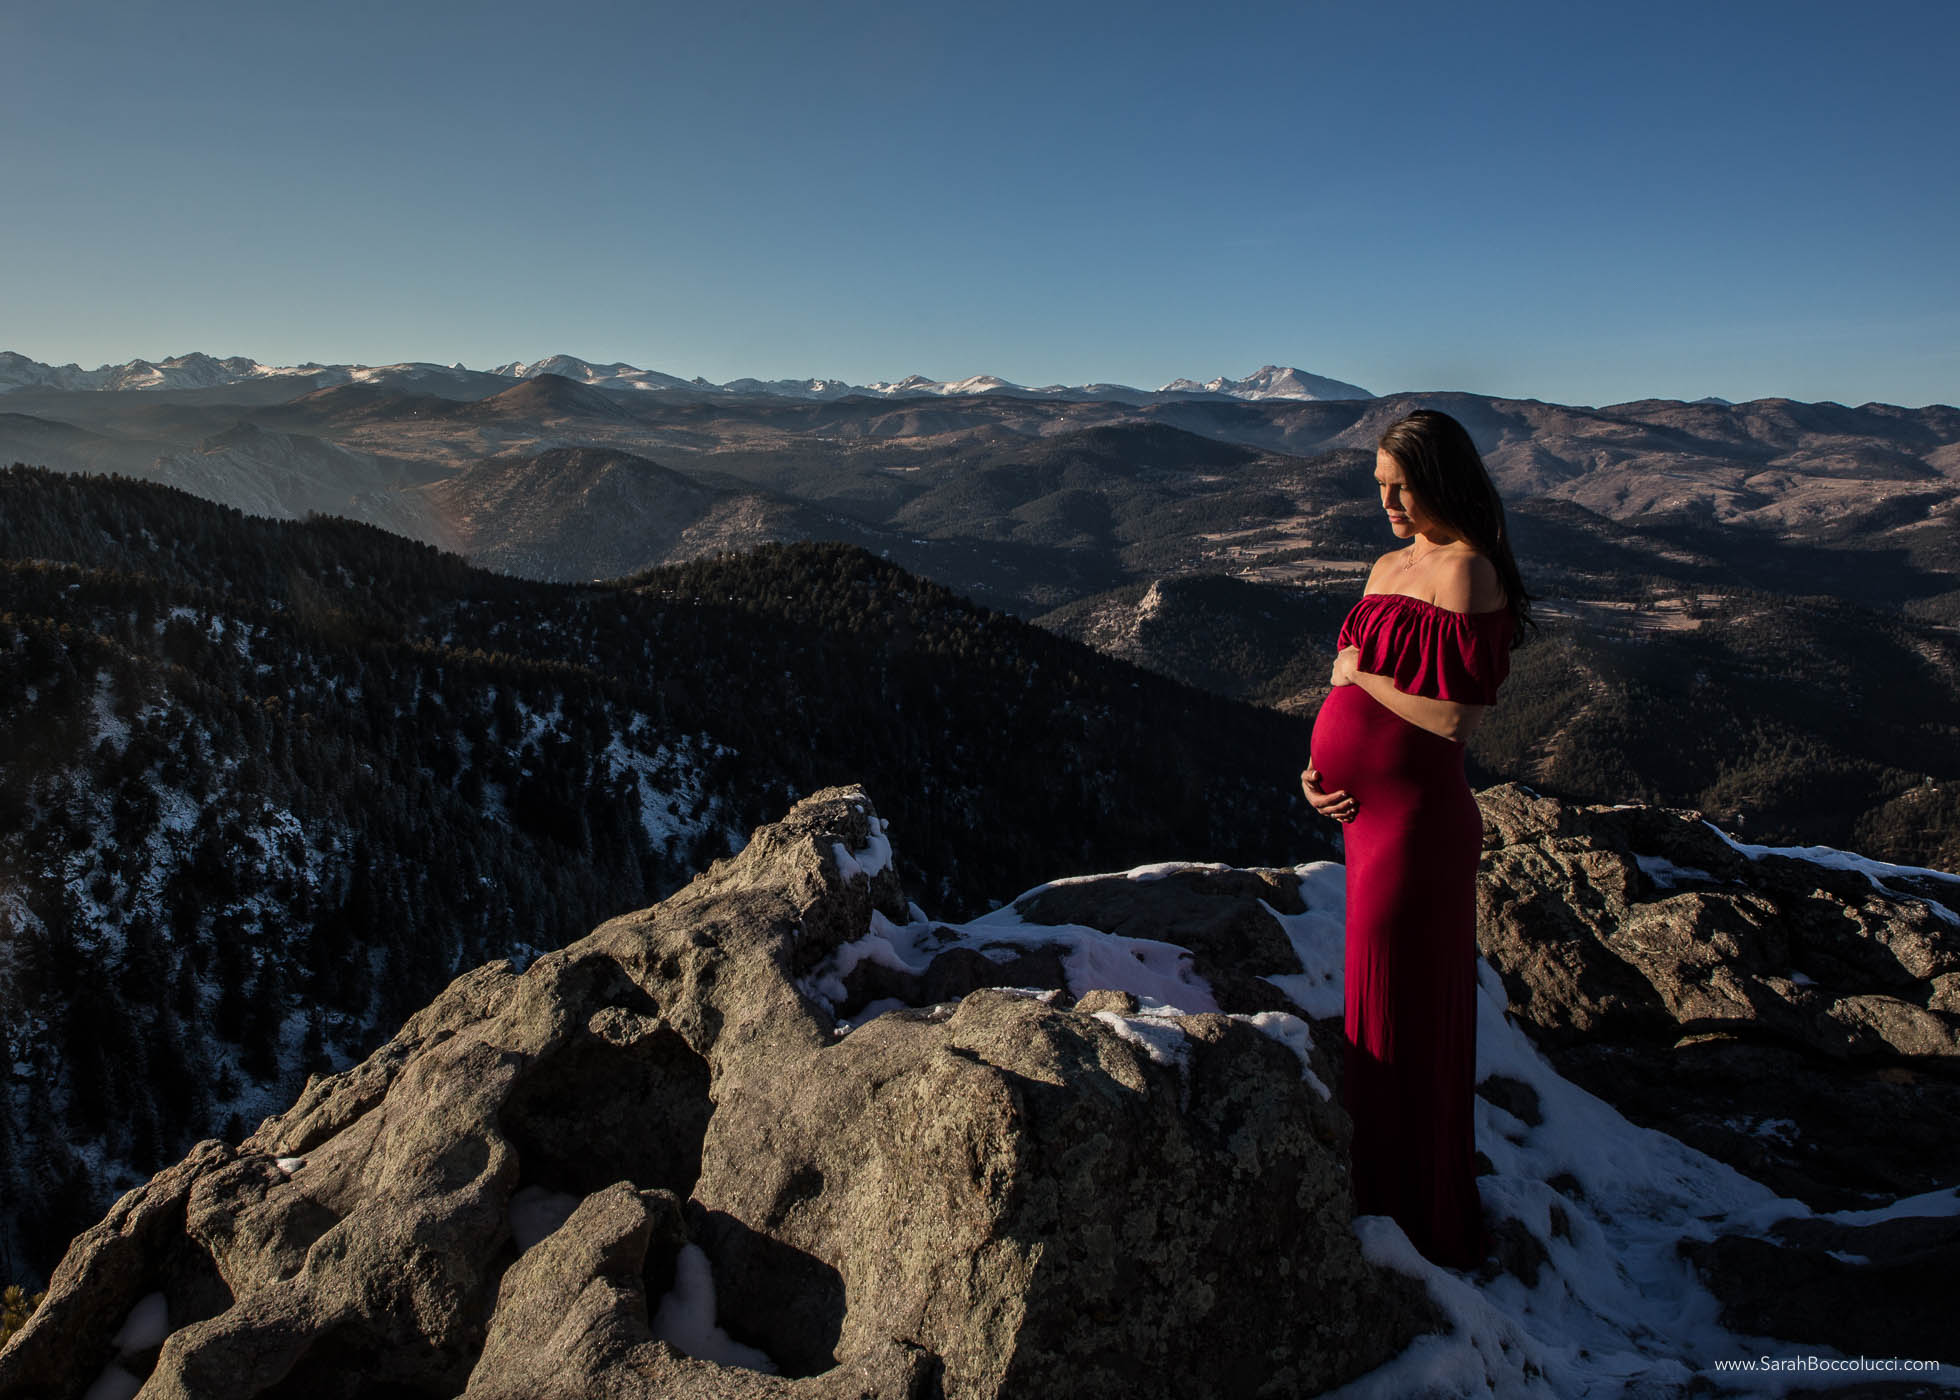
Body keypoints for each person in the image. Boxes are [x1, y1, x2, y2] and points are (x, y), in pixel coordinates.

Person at [1299, 408, 1532, 1271]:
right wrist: (1318, 773)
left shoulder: (1469, 573)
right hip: (1365, 820)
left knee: (1405, 1011)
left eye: (1402, 486)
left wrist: (1358, 682)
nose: (1389, 503)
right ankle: (1375, 1189)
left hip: (1419, 824)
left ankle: (1421, 1218)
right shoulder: (1386, 565)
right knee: (1373, 1004)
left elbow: (1451, 719)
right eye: (1380, 488)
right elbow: (1341, 687)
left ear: (1442, 478)